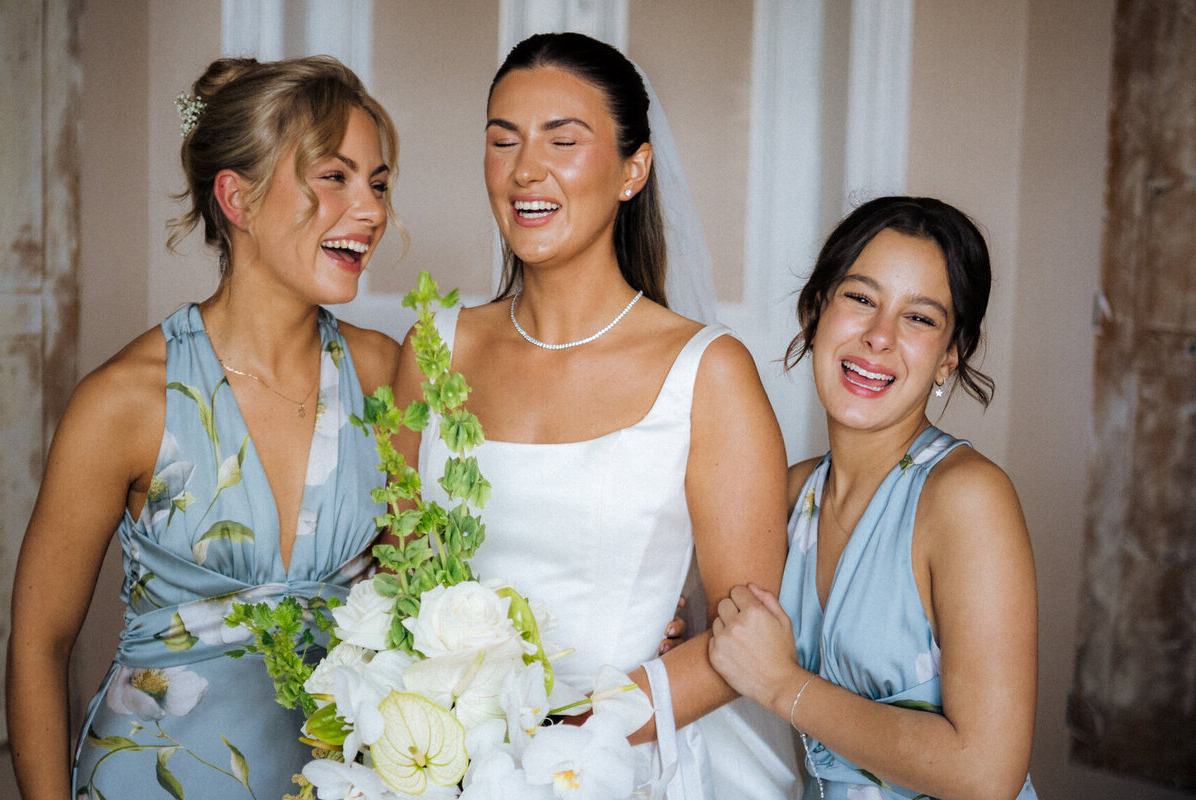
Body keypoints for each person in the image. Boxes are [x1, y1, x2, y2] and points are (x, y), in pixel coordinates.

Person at [387, 32, 800, 799]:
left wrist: (556, 747)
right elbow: (392, 568)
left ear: (633, 169)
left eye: (562, 140)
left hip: (618, 762)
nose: (524, 170)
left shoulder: (708, 374)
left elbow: (748, 642)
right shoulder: (433, 349)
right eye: (501, 141)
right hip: (439, 768)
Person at [7, 56, 403, 800]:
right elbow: (38, 645)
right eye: (335, 177)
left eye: (377, 183)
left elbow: (423, 595)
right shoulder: (125, 401)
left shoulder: (383, 376)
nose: (372, 209)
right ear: (238, 198)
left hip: (341, 783)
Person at [709, 196, 1039, 800]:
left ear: (949, 357)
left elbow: (987, 772)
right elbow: (730, 643)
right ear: (815, 310)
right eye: (860, 298)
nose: (879, 337)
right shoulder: (789, 494)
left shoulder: (967, 499)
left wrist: (785, 685)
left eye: (920, 318)